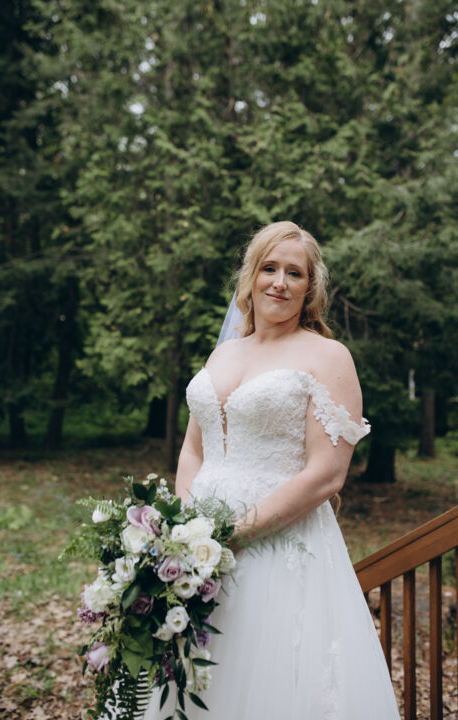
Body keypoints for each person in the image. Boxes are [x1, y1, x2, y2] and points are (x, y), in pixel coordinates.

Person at [144, 221, 400, 719]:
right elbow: (194, 449)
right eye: (269, 268)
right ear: (251, 276)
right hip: (197, 549)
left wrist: (233, 534)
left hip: (277, 548)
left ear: (310, 288)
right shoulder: (223, 352)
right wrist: (187, 532)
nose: (279, 282)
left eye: (294, 273)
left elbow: (327, 474)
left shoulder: (328, 357)